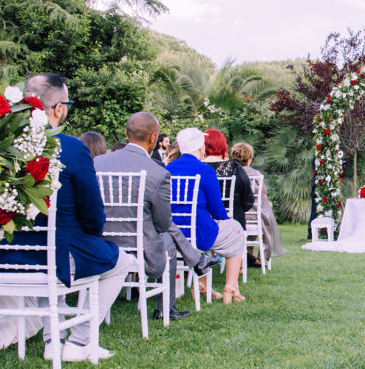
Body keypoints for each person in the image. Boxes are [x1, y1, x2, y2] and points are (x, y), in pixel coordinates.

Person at [5, 73, 136, 362]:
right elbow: (91, 210)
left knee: (48, 247)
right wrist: (93, 232)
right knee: (120, 261)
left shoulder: (3, 146)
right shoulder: (72, 147)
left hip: (9, 252)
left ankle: (54, 340)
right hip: (60, 252)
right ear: (59, 108)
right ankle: (79, 340)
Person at [93, 112, 221, 321]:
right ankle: (166, 306)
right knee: (168, 240)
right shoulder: (157, 172)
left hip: (100, 240)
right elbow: (162, 223)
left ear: (126, 133)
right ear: (154, 138)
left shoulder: (98, 163)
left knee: (167, 235)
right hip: (140, 246)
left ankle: (197, 260)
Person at [166, 128, 246, 303]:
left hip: (171, 234)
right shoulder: (204, 170)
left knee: (216, 226)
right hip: (198, 233)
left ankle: (203, 285)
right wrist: (227, 218)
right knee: (236, 230)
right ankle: (230, 288)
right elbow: (218, 210)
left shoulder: (168, 169)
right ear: (200, 147)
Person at [231, 141, 287, 263]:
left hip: (237, 215)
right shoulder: (256, 174)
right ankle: (261, 257)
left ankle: (249, 255)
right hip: (254, 216)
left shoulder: (231, 174)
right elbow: (264, 192)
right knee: (266, 212)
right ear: (249, 159)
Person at [203, 129, 254, 231]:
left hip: (204, 224)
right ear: (223, 146)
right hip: (233, 225)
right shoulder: (234, 168)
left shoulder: (198, 168)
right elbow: (248, 201)